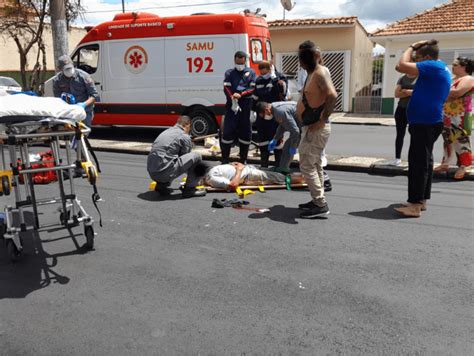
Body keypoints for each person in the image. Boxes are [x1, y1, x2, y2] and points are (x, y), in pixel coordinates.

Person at [394, 39, 451, 217]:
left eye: (417, 57)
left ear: (427, 57)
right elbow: (400, 69)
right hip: (428, 121)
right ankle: (421, 200)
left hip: (425, 122)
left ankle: (415, 204)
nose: (415, 60)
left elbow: (401, 65)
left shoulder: (432, 66)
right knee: (425, 161)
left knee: (418, 163)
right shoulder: (438, 68)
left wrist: (411, 46)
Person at [296, 41, 337, 218]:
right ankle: (317, 200)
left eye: (303, 57)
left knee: (306, 165)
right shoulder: (312, 72)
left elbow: (332, 95)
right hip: (310, 126)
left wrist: (322, 119)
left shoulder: (320, 73)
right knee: (315, 164)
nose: (301, 61)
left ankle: (320, 204)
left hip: (317, 128)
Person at [434, 57, 474, 180]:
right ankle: (446, 162)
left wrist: (444, 93)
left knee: (461, 138)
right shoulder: (453, 79)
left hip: (460, 114)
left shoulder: (468, 79)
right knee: (447, 138)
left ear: (464, 67)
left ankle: (464, 165)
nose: (453, 66)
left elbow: (457, 93)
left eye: (456, 64)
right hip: (448, 113)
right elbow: (446, 93)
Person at [147, 116, 207, 198]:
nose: (189, 130)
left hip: (152, 173)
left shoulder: (166, 132)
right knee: (197, 156)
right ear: (187, 125)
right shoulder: (183, 136)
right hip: (164, 174)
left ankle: (161, 186)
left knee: (167, 160)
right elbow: (187, 160)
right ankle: (189, 189)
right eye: (189, 127)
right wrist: (198, 175)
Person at [222, 51, 257, 164]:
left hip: (246, 106)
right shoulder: (229, 73)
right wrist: (232, 96)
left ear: (245, 61)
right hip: (231, 106)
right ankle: (225, 159)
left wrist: (241, 94)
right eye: (238, 62)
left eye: (242, 62)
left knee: (245, 132)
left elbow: (252, 88)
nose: (240, 64)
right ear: (234, 60)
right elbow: (226, 87)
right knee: (227, 131)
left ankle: (243, 159)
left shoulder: (251, 72)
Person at [252, 61, 287, 167]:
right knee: (263, 140)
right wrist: (253, 110)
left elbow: (283, 93)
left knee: (277, 140)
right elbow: (255, 97)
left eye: (265, 71)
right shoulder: (259, 80)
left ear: (270, 69)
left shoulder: (280, 77)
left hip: (275, 115)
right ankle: (264, 165)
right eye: (261, 71)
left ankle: (278, 165)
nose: (263, 74)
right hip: (262, 115)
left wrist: (275, 79)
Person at [52, 55, 99, 127]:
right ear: (60, 69)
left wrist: (84, 104)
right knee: (72, 134)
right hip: (69, 113)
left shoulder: (84, 76)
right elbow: (58, 99)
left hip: (84, 112)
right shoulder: (57, 81)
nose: (69, 70)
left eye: (70, 68)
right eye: (66, 69)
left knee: (83, 133)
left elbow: (95, 95)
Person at [255, 101, 300, 173]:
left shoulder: (279, 112)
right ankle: (283, 169)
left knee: (289, 147)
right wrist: (275, 139)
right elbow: (282, 125)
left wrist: (293, 146)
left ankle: (283, 171)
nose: (265, 117)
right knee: (287, 148)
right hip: (302, 124)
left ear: (267, 110)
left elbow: (296, 131)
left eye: (264, 115)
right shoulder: (275, 108)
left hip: (307, 126)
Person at [203, 162, 305, 190]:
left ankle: (308, 177)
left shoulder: (211, 175)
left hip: (247, 169)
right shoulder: (212, 178)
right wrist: (239, 169)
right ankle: (307, 178)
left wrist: (235, 166)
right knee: (279, 177)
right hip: (248, 175)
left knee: (275, 172)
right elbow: (233, 185)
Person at [390, 71, 418, 166]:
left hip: (415, 110)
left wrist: (405, 91)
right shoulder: (402, 78)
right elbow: (397, 94)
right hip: (401, 109)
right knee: (400, 135)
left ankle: (413, 159)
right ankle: (397, 158)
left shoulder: (420, 77)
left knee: (415, 136)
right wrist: (410, 93)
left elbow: (421, 93)